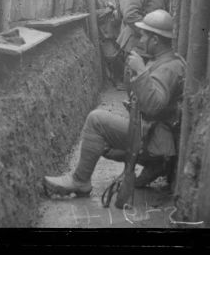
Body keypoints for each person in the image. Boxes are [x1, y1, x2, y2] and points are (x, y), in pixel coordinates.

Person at [43, 10, 186, 196]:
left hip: (154, 138)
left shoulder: (169, 68)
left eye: (143, 36)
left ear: (156, 40)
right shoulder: (166, 60)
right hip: (153, 134)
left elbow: (153, 105)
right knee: (100, 144)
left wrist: (141, 72)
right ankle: (154, 166)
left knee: (96, 121)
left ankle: (80, 181)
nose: (140, 40)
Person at [93, 0, 122, 87]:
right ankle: (110, 78)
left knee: (120, 56)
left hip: (116, 30)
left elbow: (119, 10)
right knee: (110, 56)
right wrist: (108, 9)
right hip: (104, 32)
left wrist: (116, 11)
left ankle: (116, 78)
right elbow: (93, 14)